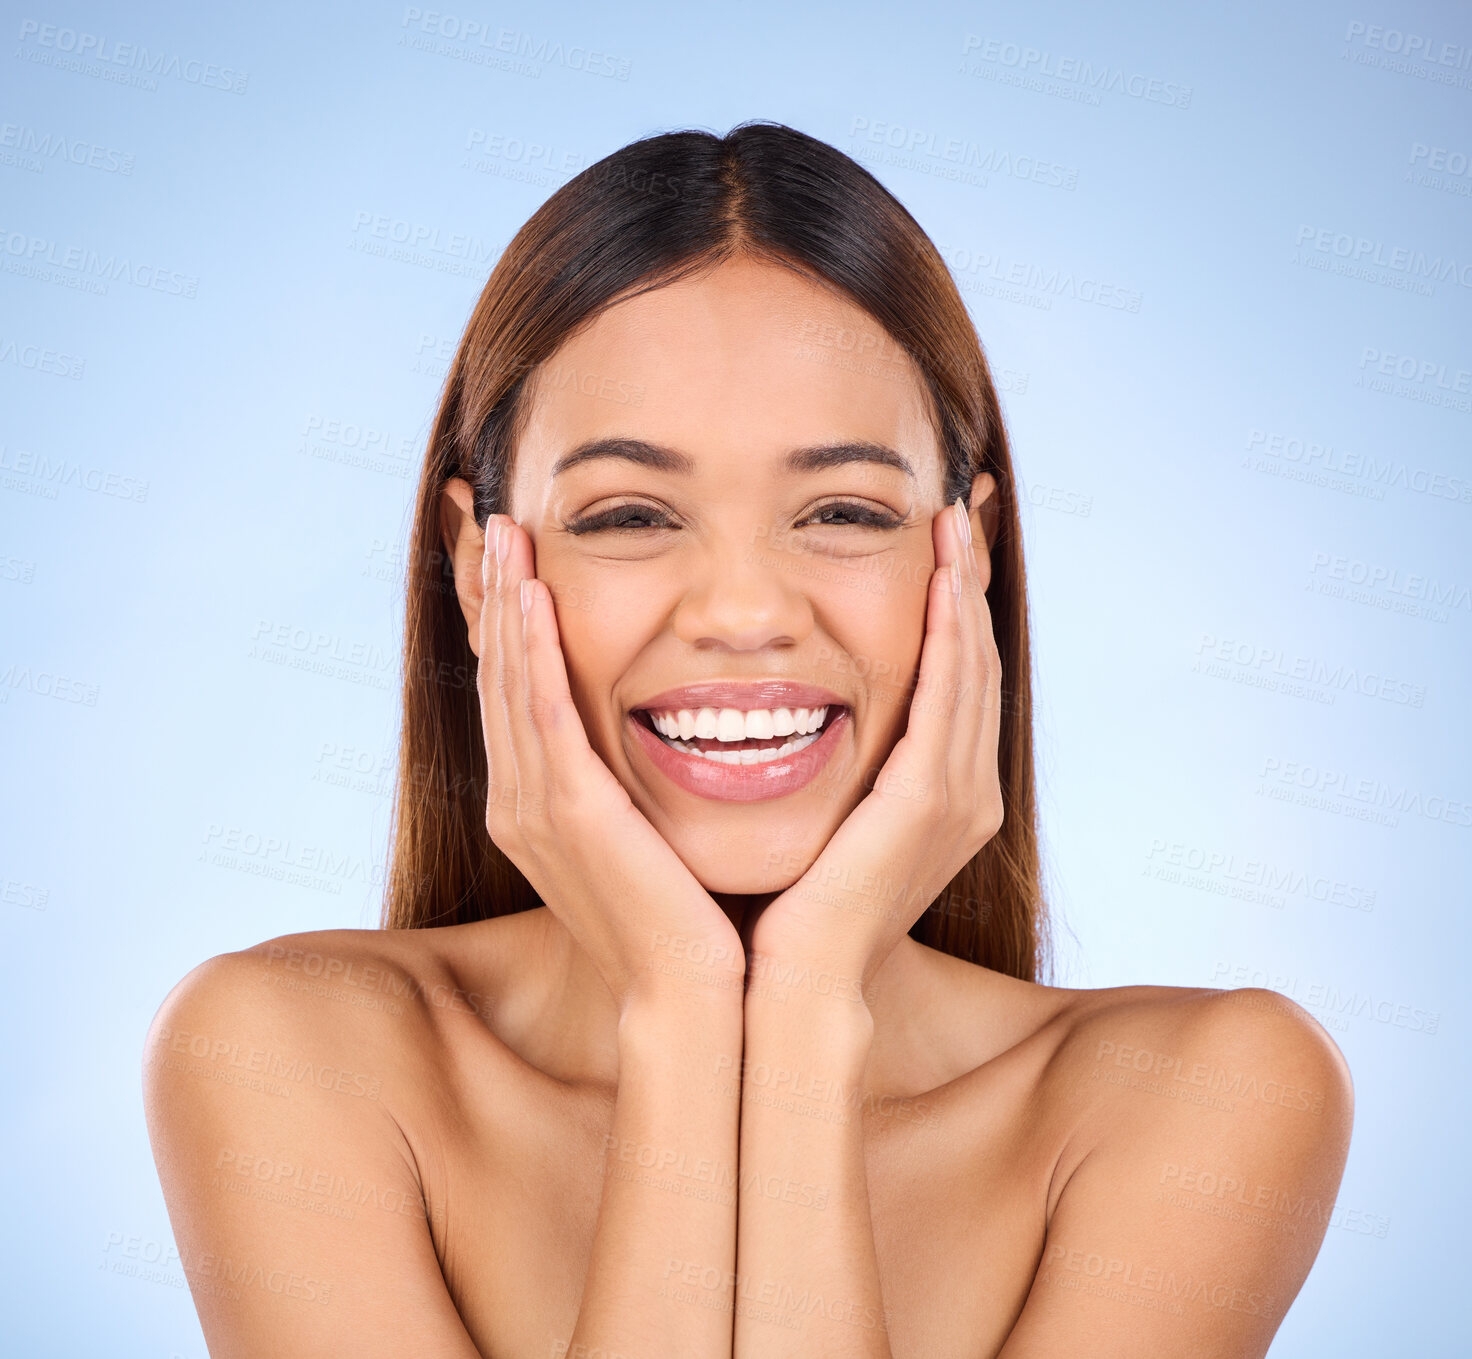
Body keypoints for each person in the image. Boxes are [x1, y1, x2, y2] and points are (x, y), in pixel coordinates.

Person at [143, 121, 1353, 1358]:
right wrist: (676, 1007)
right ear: (477, 567)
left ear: (966, 556)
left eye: (839, 510)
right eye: (627, 515)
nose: (741, 615)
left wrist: (812, 1003)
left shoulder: (1207, 1098)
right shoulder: (292, 1059)